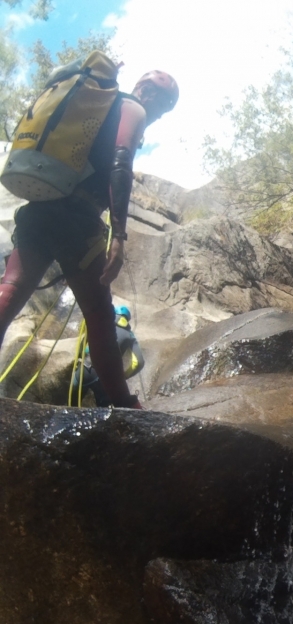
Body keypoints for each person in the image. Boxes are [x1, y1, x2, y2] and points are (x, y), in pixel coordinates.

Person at [0, 69, 178, 408]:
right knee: (98, 313)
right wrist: (119, 235)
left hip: (39, 209)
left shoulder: (98, 108)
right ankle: (123, 404)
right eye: (163, 108)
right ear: (153, 95)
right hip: (77, 221)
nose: (157, 116)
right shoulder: (132, 109)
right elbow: (120, 162)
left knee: (12, 287)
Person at [71, 305, 144, 407]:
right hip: (106, 377)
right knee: (104, 411)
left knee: (72, 401)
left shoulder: (101, 324)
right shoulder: (130, 335)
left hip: (86, 368)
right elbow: (139, 362)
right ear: (127, 320)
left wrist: (78, 359)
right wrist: (124, 375)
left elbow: (83, 343)